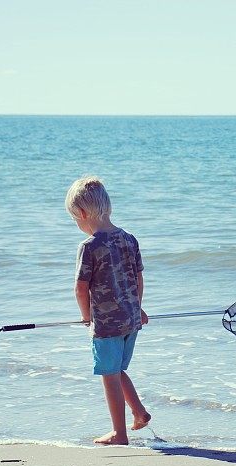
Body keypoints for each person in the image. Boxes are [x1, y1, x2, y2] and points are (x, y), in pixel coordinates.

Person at [65, 175, 151, 445]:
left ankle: (120, 433)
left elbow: (81, 287)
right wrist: (138, 308)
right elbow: (138, 279)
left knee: (109, 373)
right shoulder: (129, 239)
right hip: (131, 319)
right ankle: (139, 412)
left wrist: (86, 317)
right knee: (116, 369)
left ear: (81, 213)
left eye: (74, 219)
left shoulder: (89, 246)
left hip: (107, 324)